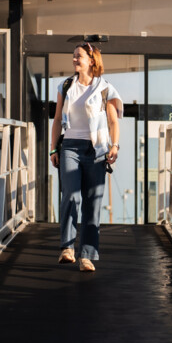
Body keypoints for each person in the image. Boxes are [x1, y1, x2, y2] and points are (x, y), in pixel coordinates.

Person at [50, 42, 122, 272]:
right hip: (70, 146)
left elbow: (113, 121)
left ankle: (87, 256)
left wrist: (115, 145)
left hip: (96, 149)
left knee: (93, 203)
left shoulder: (105, 88)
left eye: (78, 56)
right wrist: (53, 148)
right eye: (73, 56)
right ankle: (67, 248)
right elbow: (56, 119)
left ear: (91, 60)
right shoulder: (66, 85)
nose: (74, 59)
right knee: (71, 196)